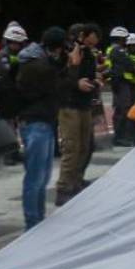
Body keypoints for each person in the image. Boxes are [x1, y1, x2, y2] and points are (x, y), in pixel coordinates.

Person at [14, 28, 67, 229]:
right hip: (35, 122)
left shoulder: (39, 61)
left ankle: (37, 219)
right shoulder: (37, 65)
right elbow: (57, 87)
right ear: (57, 47)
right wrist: (70, 67)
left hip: (43, 121)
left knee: (42, 176)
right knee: (35, 177)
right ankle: (32, 222)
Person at [56, 23, 101, 207]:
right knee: (72, 147)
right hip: (70, 105)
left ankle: (76, 181)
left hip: (84, 104)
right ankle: (64, 188)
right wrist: (77, 84)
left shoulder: (89, 53)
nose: (96, 39)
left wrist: (95, 81)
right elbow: (60, 78)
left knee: (85, 146)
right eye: (93, 35)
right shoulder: (70, 52)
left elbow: (89, 74)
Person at [0, 24, 29, 165]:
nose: (16, 45)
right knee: (9, 126)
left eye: (18, 43)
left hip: (19, 94)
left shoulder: (22, 55)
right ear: (7, 41)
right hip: (6, 95)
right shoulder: (3, 56)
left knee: (20, 126)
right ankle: (9, 154)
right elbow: (7, 74)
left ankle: (17, 152)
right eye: (13, 42)